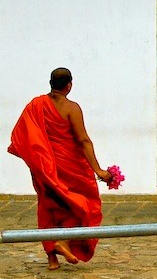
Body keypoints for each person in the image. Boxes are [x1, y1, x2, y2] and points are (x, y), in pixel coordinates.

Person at [7, 68, 112, 270]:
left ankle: (52, 259)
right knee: (82, 205)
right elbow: (83, 140)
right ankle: (63, 243)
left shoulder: (35, 105)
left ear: (50, 83)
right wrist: (98, 170)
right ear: (69, 85)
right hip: (71, 167)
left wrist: (36, 162)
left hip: (45, 167)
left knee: (48, 208)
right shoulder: (72, 108)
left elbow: (22, 136)